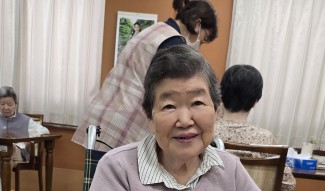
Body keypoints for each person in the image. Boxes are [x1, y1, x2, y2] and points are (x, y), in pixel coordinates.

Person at [81, 46, 303, 191]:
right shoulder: (119, 166)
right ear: (150, 119)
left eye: (197, 102)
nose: (185, 120)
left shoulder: (229, 168)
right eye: (169, 106)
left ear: (216, 111)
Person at [71, 0, 218, 150]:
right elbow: (179, 90)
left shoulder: (155, 29)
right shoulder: (172, 43)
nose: (200, 43)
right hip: (124, 121)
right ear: (197, 24)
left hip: (104, 114)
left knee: (99, 163)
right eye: (204, 38)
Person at [214, 64, 296, 191]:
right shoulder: (265, 138)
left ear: (221, 95)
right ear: (255, 101)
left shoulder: (207, 133)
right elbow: (288, 185)